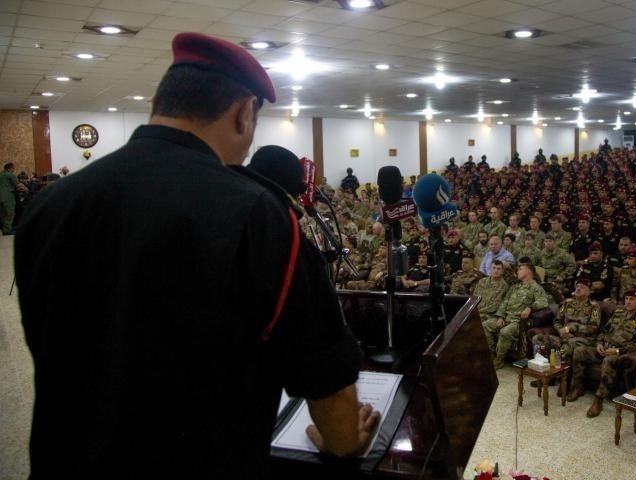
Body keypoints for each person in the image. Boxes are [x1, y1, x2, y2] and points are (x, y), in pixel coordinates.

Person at [14, 32, 378, 478]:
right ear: (244, 113)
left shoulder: (50, 205)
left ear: (156, 103)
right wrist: (342, 438)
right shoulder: (256, 213)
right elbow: (320, 362)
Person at [569, 288, 636, 418]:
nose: (628, 302)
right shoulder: (618, 313)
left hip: (617, 354)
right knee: (580, 351)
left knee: (608, 361)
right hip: (604, 348)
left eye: (632, 299)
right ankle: (577, 387)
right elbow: (603, 331)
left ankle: (598, 400)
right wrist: (599, 344)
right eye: (626, 299)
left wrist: (618, 350)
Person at [482, 261, 548, 369]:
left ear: (529, 271)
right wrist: (501, 316)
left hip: (518, 322)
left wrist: (530, 308)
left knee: (505, 332)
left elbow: (543, 302)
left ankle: (499, 359)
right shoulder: (515, 287)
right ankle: (492, 355)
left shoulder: (535, 287)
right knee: (485, 325)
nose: (518, 271)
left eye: (521, 269)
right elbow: (504, 302)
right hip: (506, 318)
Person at [0, 162, 18, 235]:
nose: (14, 170)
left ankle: (5, 228)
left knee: (3, 214)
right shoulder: (9, 175)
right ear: (10, 168)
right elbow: (18, 185)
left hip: (0, 197)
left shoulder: (1, 174)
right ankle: (7, 230)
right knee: (10, 212)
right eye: (13, 168)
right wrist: (26, 189)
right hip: (8, 196)